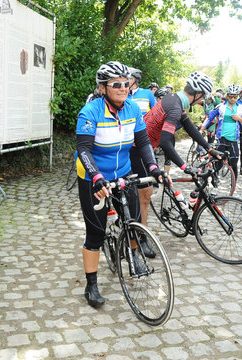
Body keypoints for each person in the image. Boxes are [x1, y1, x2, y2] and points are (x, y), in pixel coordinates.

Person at [75, 61, 166, 307]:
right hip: (93, 176)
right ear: (103, 88)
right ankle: (91, 285)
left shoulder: (133, 110)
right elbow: (83, 149)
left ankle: (133, 252)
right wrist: (96, 177)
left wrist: (154, 168)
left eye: (126, 84)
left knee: (133, 220)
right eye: (116, 84)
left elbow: (144, 142)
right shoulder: (91, 112)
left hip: (123, 173)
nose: (123, 88)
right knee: (95, 233)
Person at [144, 71, 223, 176]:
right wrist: (185, 167)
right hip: (140, 148)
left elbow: (189, 127)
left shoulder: (173, 98)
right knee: (144, 191)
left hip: (144, 145)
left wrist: (209, 148)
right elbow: (165, 142)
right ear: (198, 94)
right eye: (203, 97)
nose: (203, 99)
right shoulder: (175, 107)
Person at [127, 67, 157, 239]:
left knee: (144, 193)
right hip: (123, 148)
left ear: (135, 79)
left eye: (127, 79)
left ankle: (142, 235)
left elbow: (154, 116)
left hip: (141, 146)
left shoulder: (147, 94)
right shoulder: (118, 95)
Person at [201, 84, 242, 179]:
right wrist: (201, 129)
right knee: (218, 163)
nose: (233, 99)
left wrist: (240, 119)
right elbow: (209, 117)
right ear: (227, 96)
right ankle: (214, 182)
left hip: (234, 139)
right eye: (231, 96)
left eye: (235, 96)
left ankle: (233, 187)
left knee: (234, 163)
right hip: (222, 138)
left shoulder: (241, 108)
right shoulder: (221, 106)